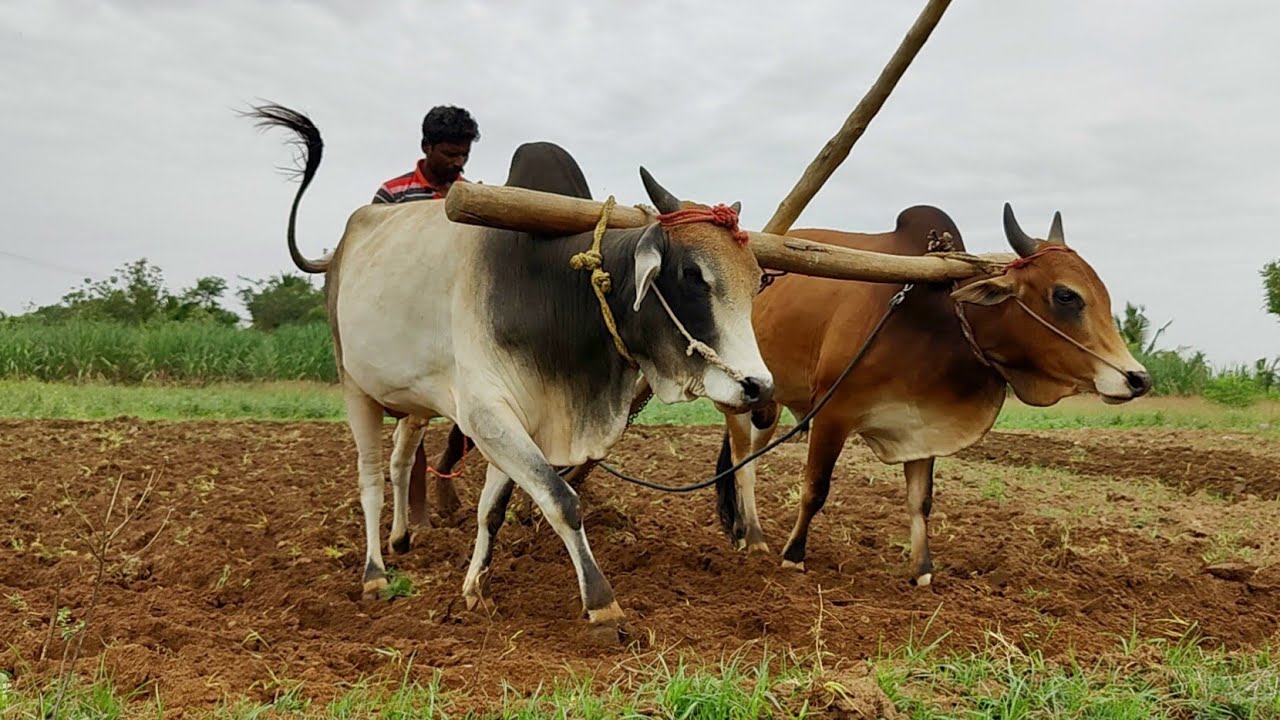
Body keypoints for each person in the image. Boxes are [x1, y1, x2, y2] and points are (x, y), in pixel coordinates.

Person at [372, 104, 480, 527]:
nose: (457, 163)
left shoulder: (471, 197)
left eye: (464, 155)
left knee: (477, 409)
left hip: (458, 321)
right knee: (411, 417)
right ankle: (416, 514)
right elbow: (374, 257)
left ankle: (447, 467)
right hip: (408, 324)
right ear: (426, 147)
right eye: (450, 154)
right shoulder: (392, 195)